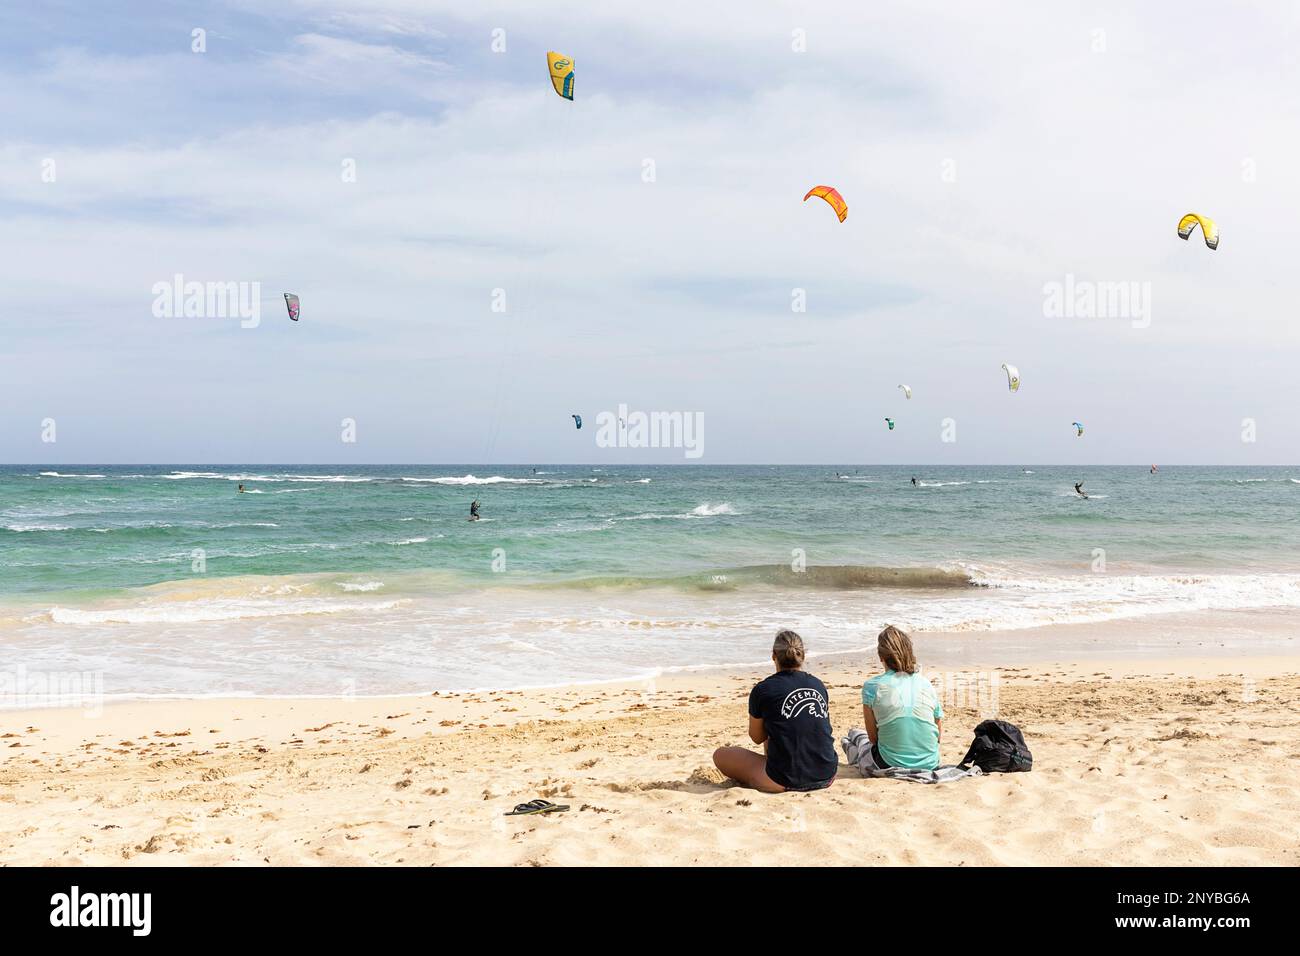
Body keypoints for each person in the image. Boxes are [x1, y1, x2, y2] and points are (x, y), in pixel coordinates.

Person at [713, 630, 838, 793]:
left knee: (720, 755)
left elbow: (757, 737)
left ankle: (776, 771)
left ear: (774, 655)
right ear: (802, 656)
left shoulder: (763, 689)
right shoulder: (818, 684)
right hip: (827, 774)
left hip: (784, 780)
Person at [860, 625, 943, 771]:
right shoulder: (926, 684)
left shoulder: (872, 687)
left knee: (854, 739)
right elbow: (938, 736)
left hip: (889, 761)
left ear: (881, 657)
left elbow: (873, 739)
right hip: (930, 762)